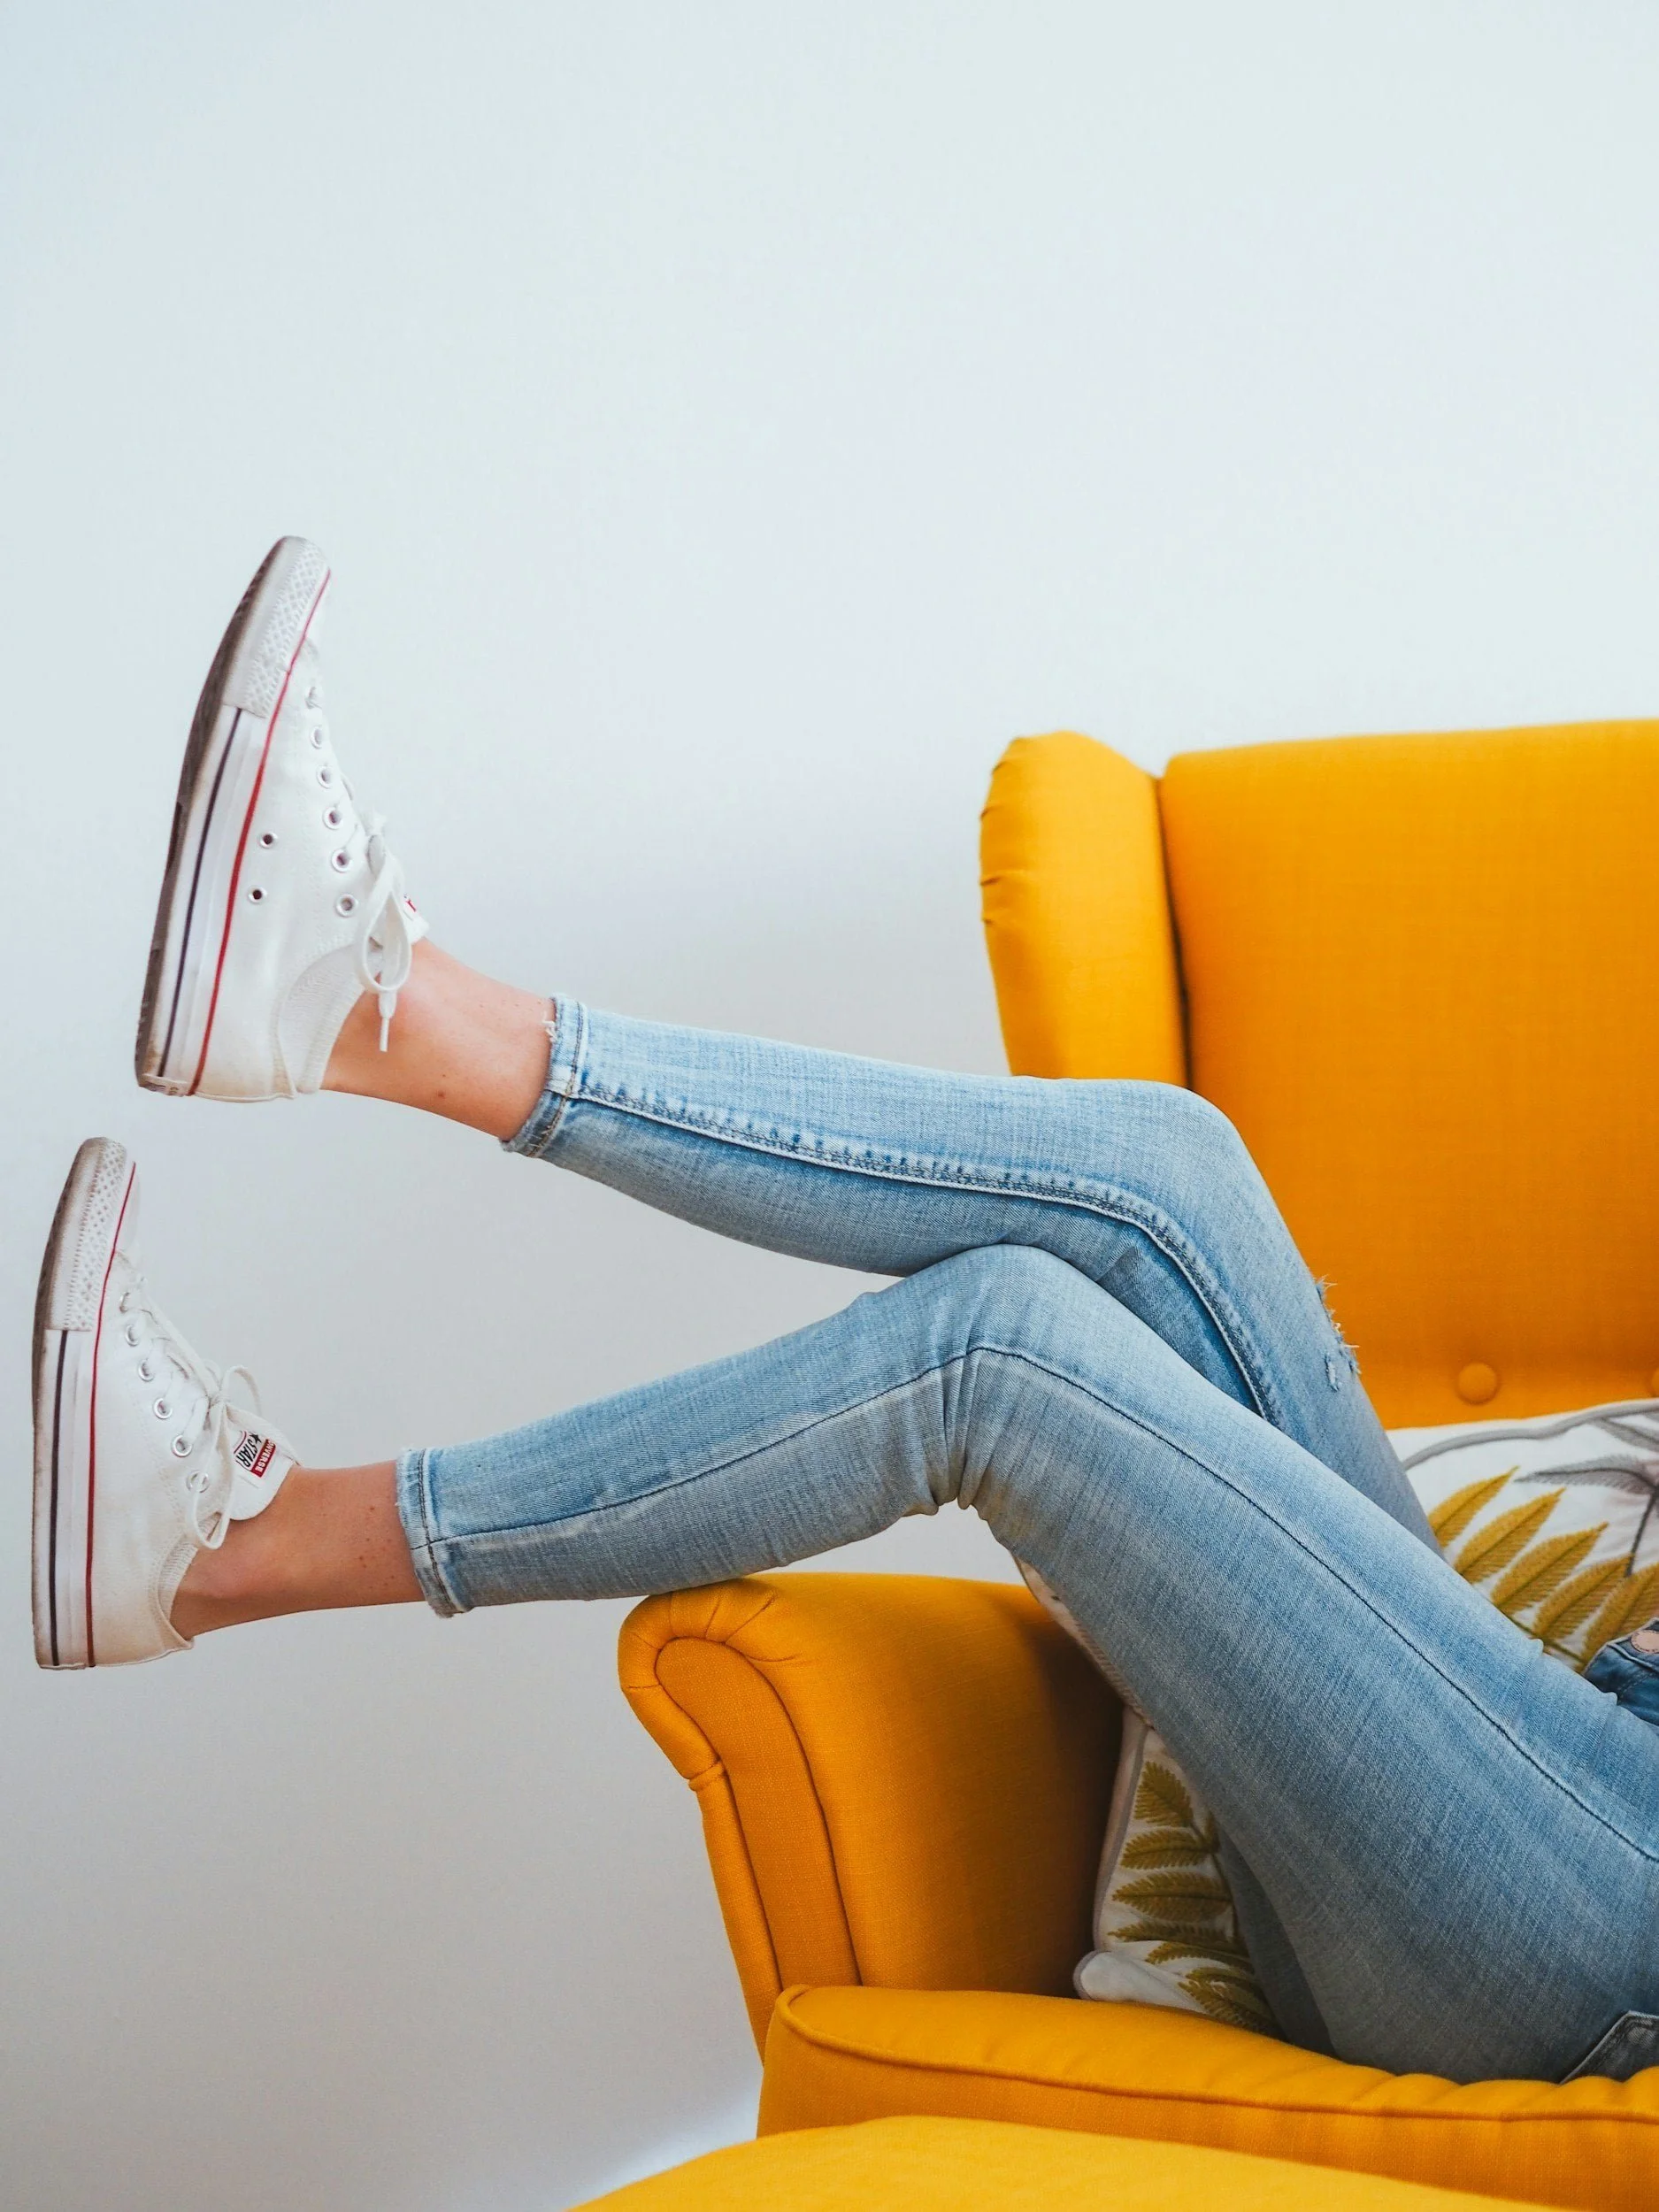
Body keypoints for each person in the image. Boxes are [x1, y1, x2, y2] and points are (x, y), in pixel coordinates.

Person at [31, 539, 1659, 2089]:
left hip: (1600, 1948)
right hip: (1565, 1764)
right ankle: (376, 1014)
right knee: (1161, 1175)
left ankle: (238, 1549)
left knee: (1000, 1352)